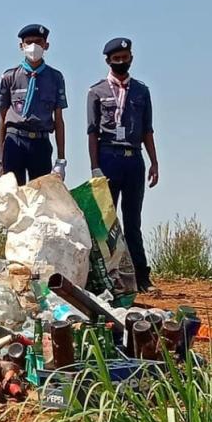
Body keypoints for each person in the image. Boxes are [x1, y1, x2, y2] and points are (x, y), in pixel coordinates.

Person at [87, 37, 159, 291]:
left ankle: (141, 276)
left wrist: (154, 162)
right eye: (116, 59)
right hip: (108, 158)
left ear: (131, 58)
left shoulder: (142, 91)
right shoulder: (96, 91)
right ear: (107, 61)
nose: (121, 62)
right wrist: (95, 167)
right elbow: (92, 132)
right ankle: (109, 277)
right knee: (107, 223)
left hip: (134, 159)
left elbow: (147, 130)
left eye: (124, 58)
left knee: (132, 222)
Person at [0, 24, 67, 185]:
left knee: (40, 198)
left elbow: (59, 120)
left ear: (46, 45)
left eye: (38, 42)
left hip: (40, 142)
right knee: (15, 197)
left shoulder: (55, 77)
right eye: (28, 42)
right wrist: (0, 160)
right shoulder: (10, 76)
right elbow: (2, 119)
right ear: (21, 46)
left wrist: (61, 159)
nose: (33, 46)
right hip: (15, 140)